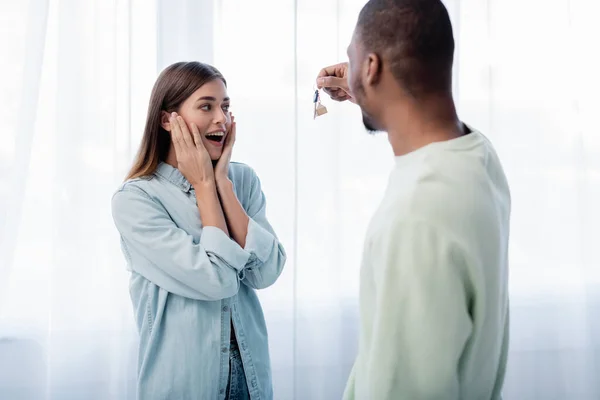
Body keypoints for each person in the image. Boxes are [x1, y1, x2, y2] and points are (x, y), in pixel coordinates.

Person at [316, 1, 510, 399]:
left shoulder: (416, 216)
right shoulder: (478, 157)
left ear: (371, 67)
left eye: (353, 59)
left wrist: (370, 83)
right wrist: (368, 88)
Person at [111, 61, 286, 400]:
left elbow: (267, 272)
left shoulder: (243, 180)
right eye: (206, 106)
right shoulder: (137, 200)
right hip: (186, 385)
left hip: (252, 383)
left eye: (225, 106)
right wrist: (205, 184)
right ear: (167, 120)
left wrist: (222, 183)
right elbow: (216, 280)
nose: (221, 118)